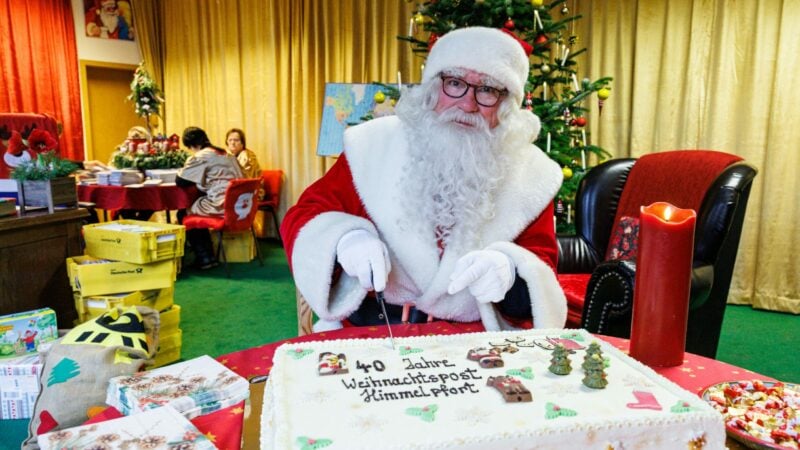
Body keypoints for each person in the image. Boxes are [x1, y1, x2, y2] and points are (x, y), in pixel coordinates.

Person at [281, 27, 567, 332]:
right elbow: (304, 216)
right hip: (371, 334)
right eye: (455, 83)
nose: (467, 104)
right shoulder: (371, 146)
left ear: (507, 104)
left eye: (487, 90)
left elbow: (541, 270)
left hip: (471, 345)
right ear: (433, 88)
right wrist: (345, 239)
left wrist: (511, 273)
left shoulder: (532, 173)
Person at [177, 126, 244, 269]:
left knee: (184, 211)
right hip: (240, 205)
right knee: (198, 206)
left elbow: (180, 181)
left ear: (193, 145)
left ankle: (205, 258)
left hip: (222, 205)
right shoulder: (225, 154)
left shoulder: (202, 155)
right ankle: (209, 256)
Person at [226, 128, 264, 199]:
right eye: (230, 140)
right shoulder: (227, 155)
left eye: (236, 140)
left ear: (242, 143)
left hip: (251, 193)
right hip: (234, 190)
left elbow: (241, 178)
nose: (232, 143)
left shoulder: (248, 157)